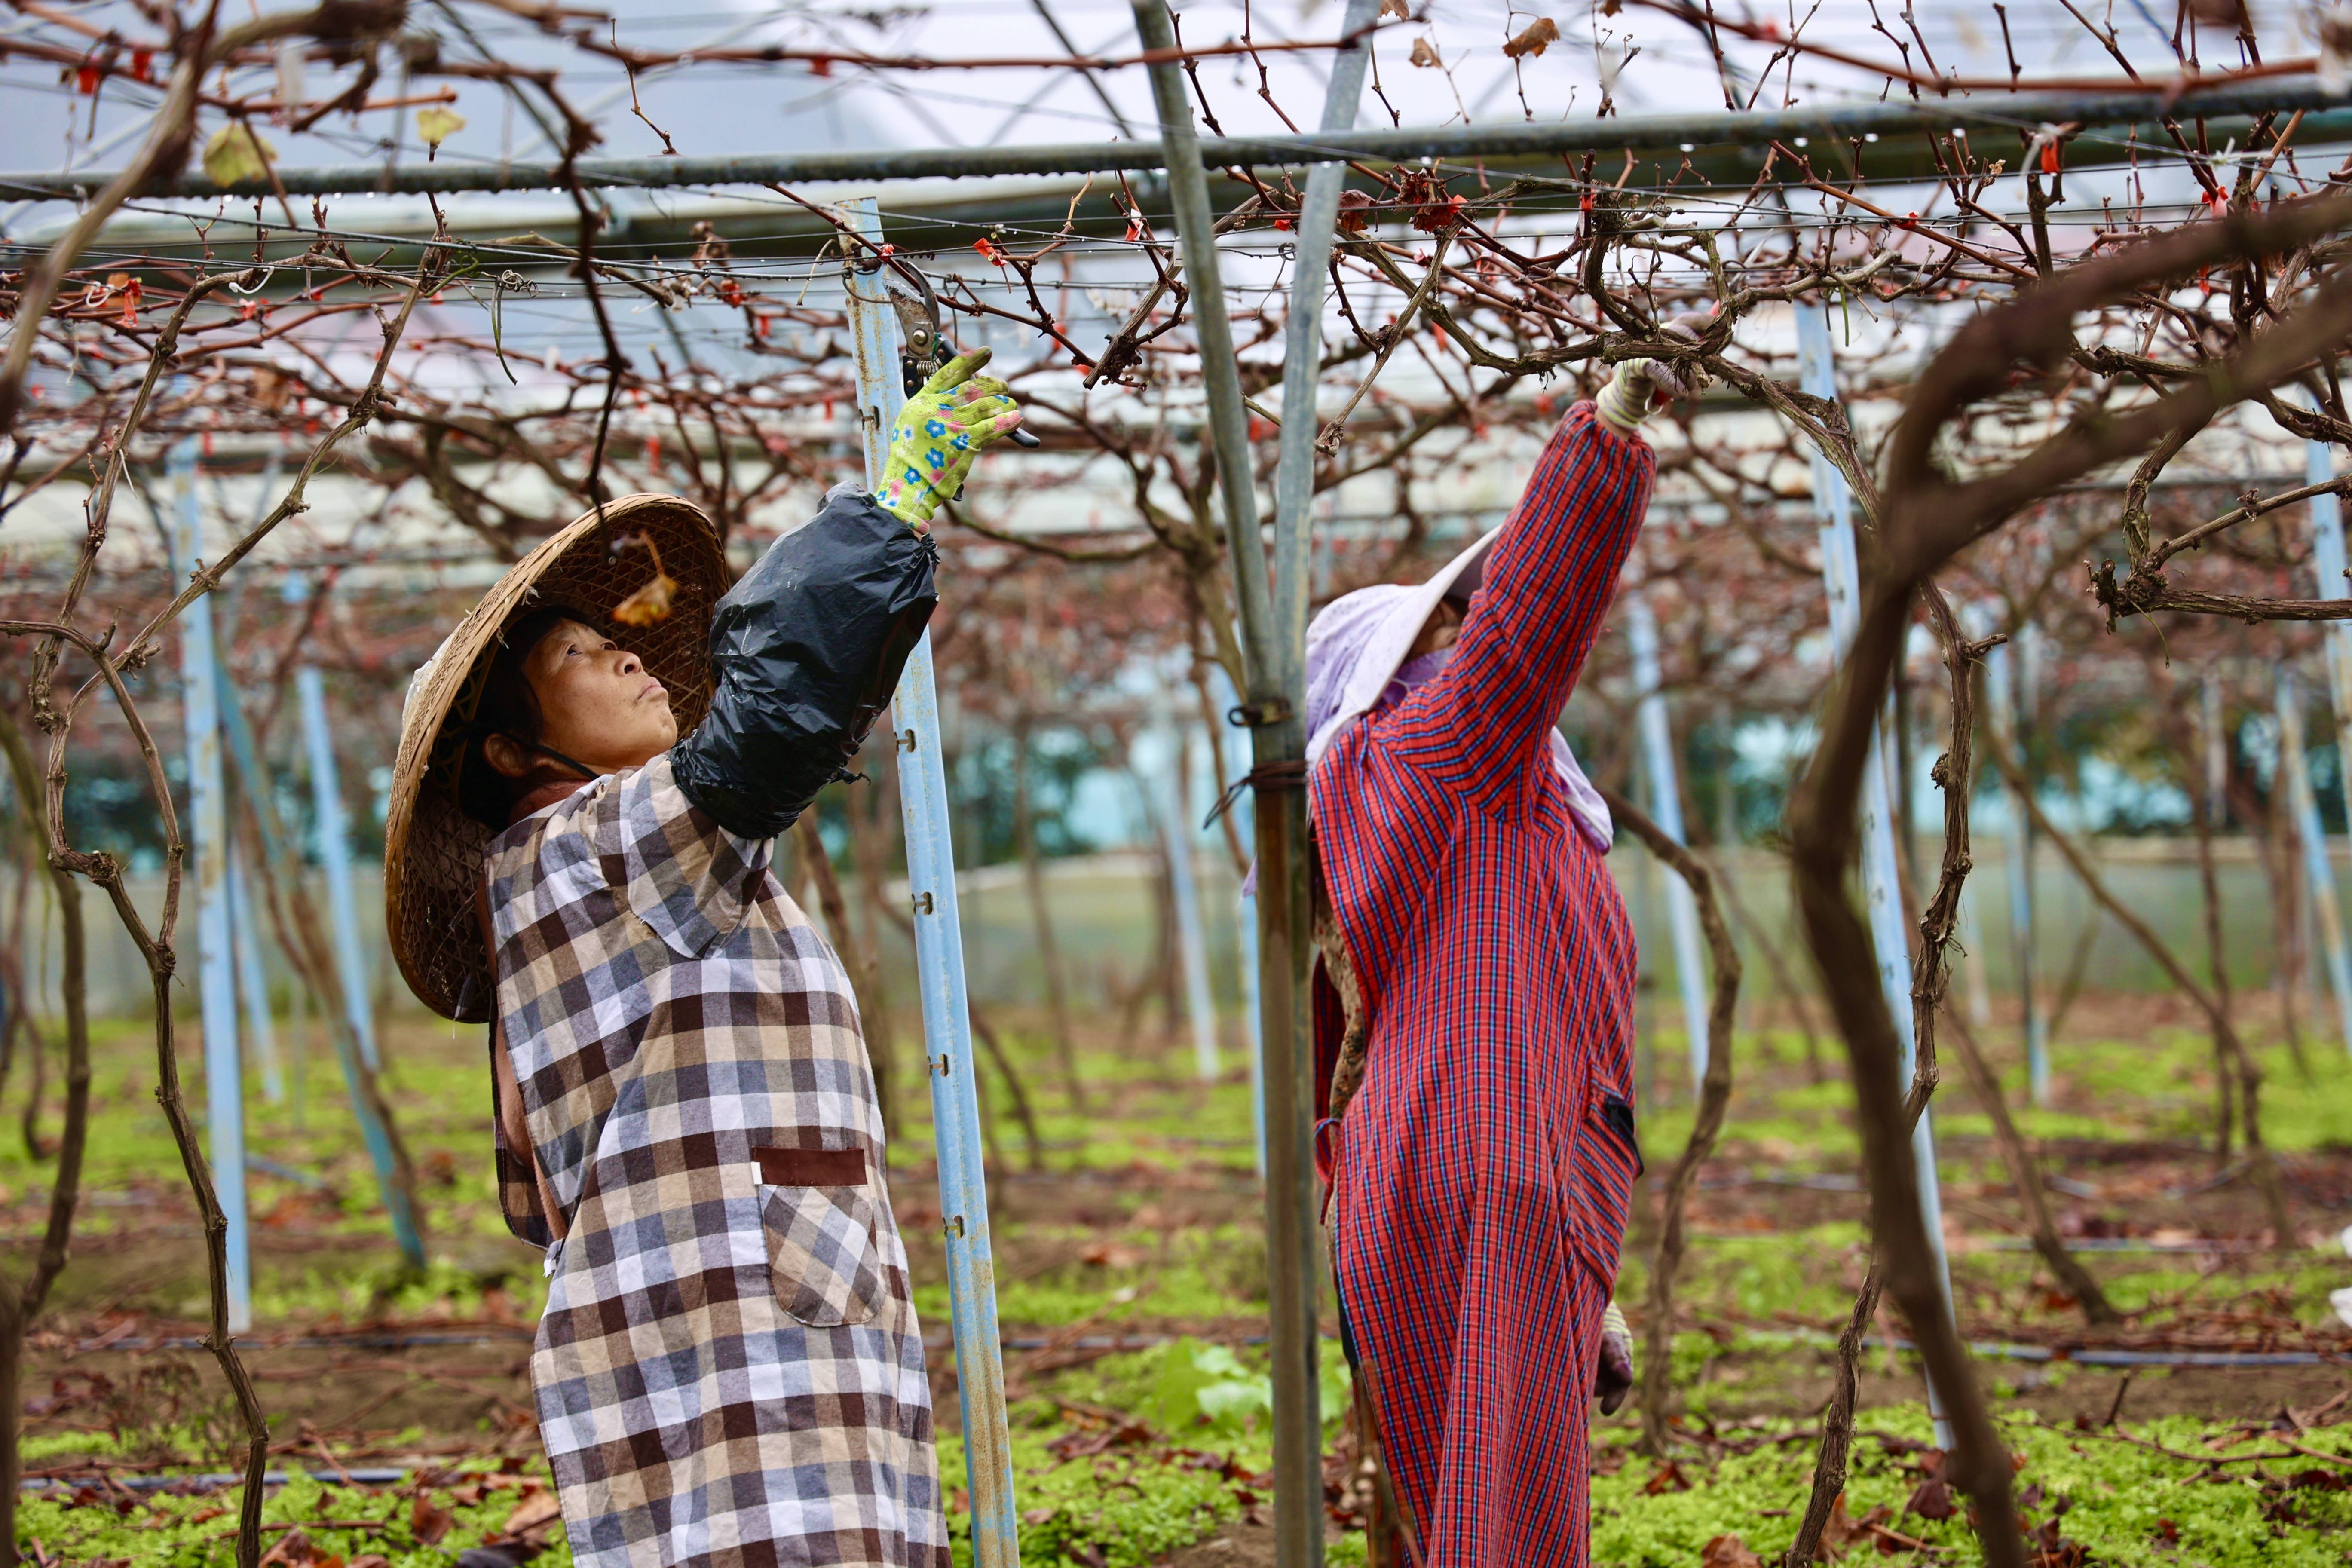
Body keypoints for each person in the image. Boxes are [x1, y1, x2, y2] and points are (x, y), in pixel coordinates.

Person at [384, 352, 1021, 1568]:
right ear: (517, 753)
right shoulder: (591, 845)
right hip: (747, 1350)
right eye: (578, 658)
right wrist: (882, 518)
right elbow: (775, 723)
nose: (629, 657)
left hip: (706, 1336)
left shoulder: (563, 877)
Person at [1304, 333, 1703, 1566]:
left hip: (1440, 1173)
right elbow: (1533, 622)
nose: (1468, 646)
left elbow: (1336, 1057)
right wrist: (1602, 444)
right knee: (1508, 1531)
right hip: (1492, 1173)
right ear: (1389, 680)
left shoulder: (1407, 803)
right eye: (1445, 636)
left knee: (1471, 1508)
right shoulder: (1440, 750)